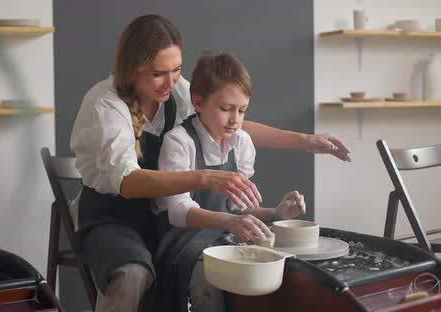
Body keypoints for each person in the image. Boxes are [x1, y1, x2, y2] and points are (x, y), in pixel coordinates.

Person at [69, 14, 349, 312]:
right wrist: (206, 178)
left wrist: (304, 141)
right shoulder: (105, 106)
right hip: (115, 218)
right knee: (133, 273)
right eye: (158, 73)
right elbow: (128, 182)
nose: (170, 81)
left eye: (176, 69)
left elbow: (223, 121)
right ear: (132, 69)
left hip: (162, 219)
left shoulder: (175, 90)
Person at [153, 51, 306, 312]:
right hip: (181, 241)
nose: (235, 119)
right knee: (209, 282)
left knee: (278, 269)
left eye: (242, 110)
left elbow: (235, 210)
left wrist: (276, 213)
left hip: (224, 233)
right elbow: (178, 212)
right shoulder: (179, 142)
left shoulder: (242, 142)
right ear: (198, 102)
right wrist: (230, 221)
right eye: (226, 109)